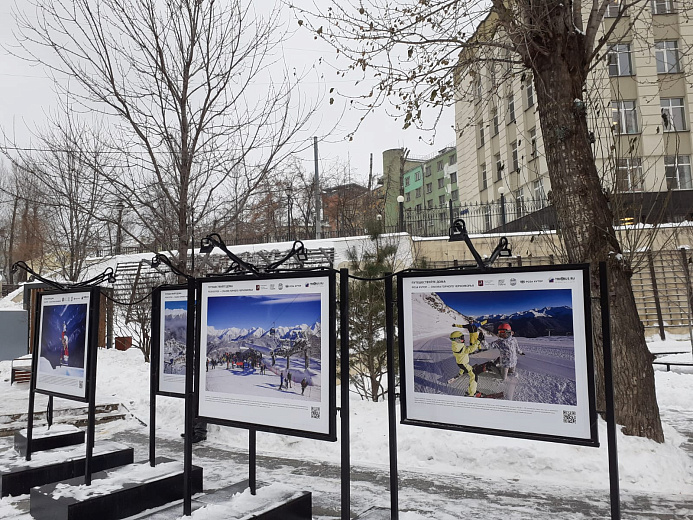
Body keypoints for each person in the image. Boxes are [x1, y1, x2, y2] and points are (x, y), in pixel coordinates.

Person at [448, 330, 487, 397]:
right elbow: (470, 349)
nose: (463, 339)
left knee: (463, 367)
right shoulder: (458, 348)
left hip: (461, 362)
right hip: (463, 363)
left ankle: (461, 373)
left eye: (463, 337)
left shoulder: (456, 344)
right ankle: (471, 393)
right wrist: (478, 341)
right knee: (474, 375)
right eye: (461, 338)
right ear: (456, 340)